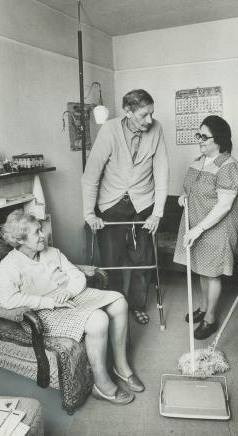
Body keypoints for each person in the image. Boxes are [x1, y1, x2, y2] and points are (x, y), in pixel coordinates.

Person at [0, 210, 145, 405]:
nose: (44, 235)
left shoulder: (51, 252)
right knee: (98, 319)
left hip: (70, 297)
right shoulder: (10, 265)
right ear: (21, 239)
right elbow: (6, 300)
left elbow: (77, 275)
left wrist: (69, 292)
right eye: (37, 232)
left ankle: (121, 366)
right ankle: (101, 385)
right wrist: (47, 302)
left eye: (41, 229)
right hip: (43, 312)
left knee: (119, 301)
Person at [82, 89, 169, 325]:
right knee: (112, 261)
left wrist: (157, 213)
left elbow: (161, 172)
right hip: (111, 204)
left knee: (144, 259)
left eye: (151, 113)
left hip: (144, 204)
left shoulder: (156, 129)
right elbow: (91, 176)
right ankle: (117, 305)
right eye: (143, 115)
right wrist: (89, 213)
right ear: (128, 111)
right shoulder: (109, 130)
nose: (149, 120)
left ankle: (137, 304)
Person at [174, 115, 238, 339]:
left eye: (204, 137)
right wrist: (184, 196)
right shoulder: (198, 160)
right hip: (196, 223)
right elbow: (191, 188)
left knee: (212, 274)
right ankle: (203, 307)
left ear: (220, 139)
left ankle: (210, 319)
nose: (200, 140)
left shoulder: (229, 166)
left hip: (217, 227)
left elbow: (224, 206)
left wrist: (198, 229)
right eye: (199, 135)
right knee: (201, 269)